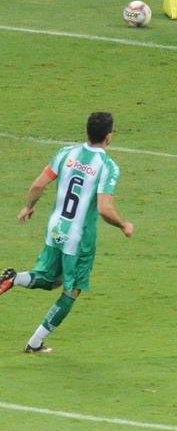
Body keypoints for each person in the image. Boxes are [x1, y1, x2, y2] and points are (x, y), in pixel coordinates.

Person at [0, 111, 134, 353]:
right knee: (71, 290)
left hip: (55, 228)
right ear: (109, 137)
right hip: (78, 238)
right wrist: (123, 225)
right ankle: (34, 343)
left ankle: (14, 278)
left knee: (51, 279)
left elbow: (39, 184)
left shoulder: (65, 154)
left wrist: (28, 207)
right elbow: (105, 209)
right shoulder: (107, 167)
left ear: (87, 132)